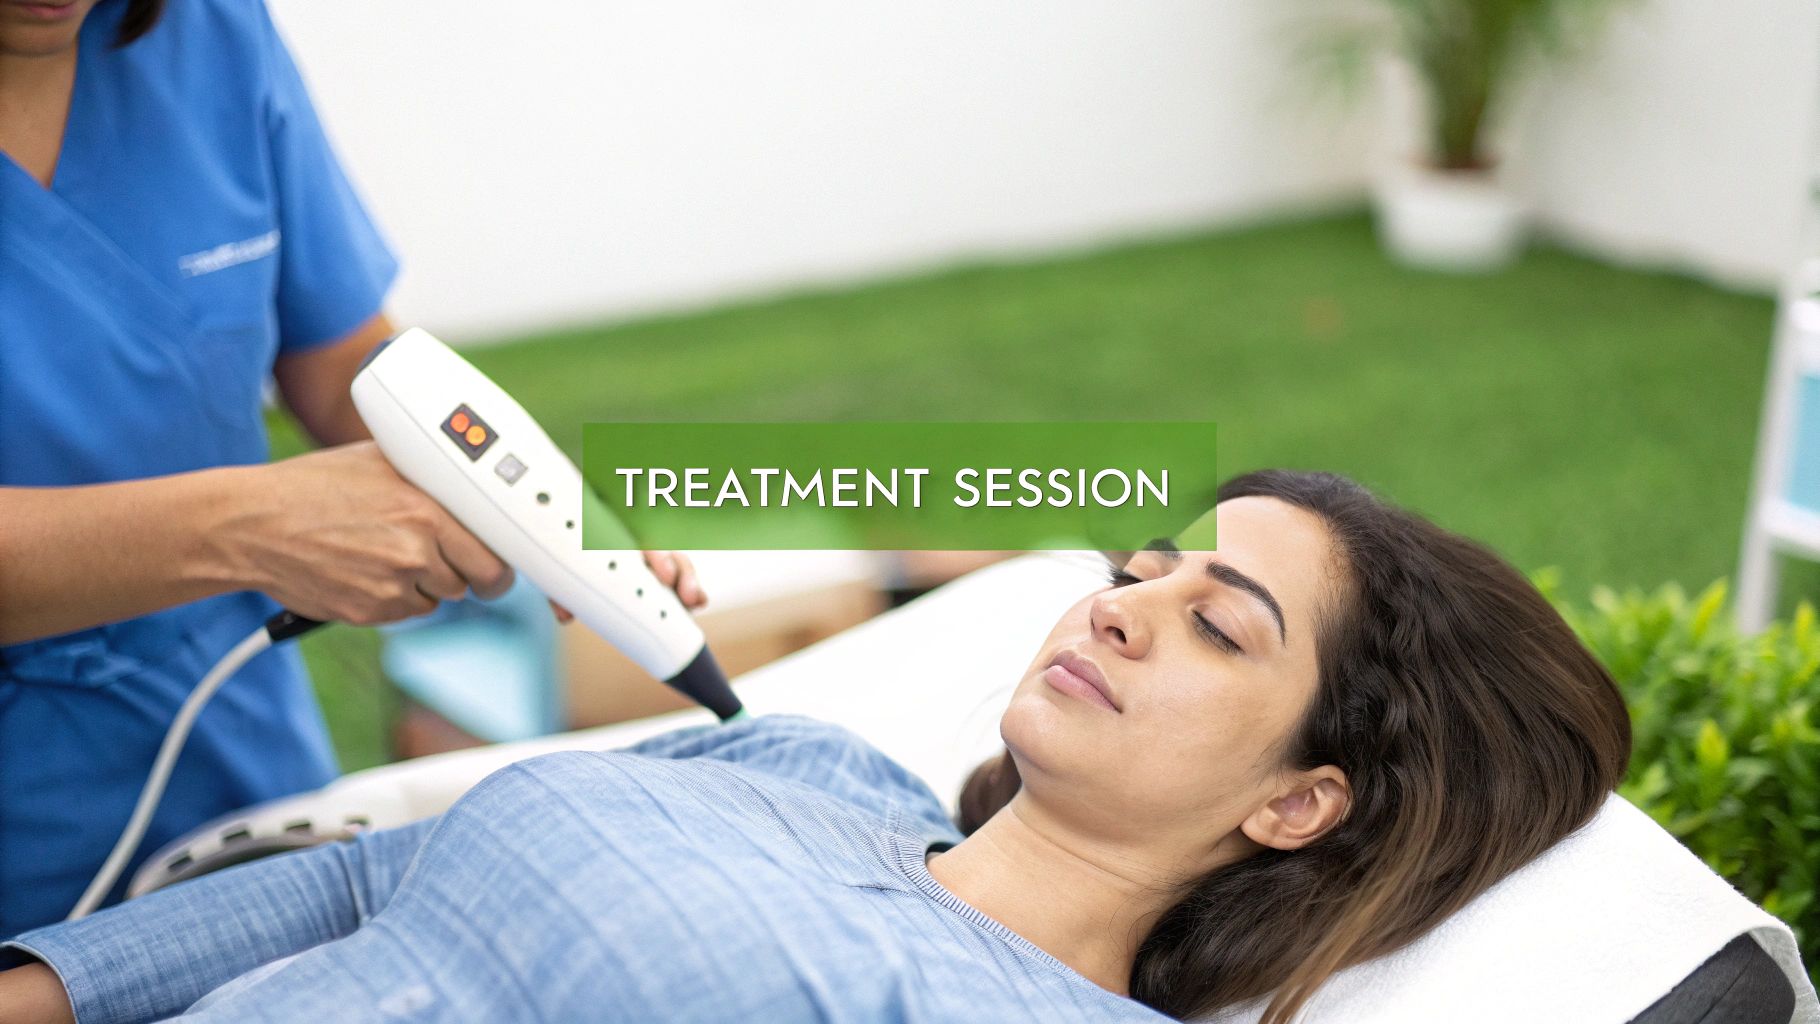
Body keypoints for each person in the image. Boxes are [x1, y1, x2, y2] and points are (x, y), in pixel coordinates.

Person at [0, 470, 1632, 1023]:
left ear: (1299, 798)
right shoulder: (808, 765)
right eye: (1150, 568)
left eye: (1222, 625)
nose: (1124, 605)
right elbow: (355, 883)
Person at [0, 0, 705, 931]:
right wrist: (248, 526)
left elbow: (340, 359)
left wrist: (526, 503)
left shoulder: (211, 33)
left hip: (238, 754)